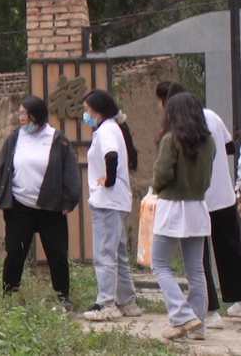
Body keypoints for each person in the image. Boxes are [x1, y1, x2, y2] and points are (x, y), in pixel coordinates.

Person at [157, 80, 241, 325]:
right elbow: (229, 146)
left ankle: (210, 310)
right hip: (223, 196)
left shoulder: (175, 129)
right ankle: (238, 301)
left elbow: (166, 168)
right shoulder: (212, 117)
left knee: (197, 258)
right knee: (231, 249)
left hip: (194, 200)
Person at [0, 96, 81, 312]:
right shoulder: (14, 139)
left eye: (23, 114)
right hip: (19, 205)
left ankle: (62, 297)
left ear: (36, 115)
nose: (20, 118)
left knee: (57, 254)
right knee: (15, 252)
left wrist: (69, 199)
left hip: (51, 207)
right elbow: (1, 168)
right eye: (19, 113)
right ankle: (9, 294)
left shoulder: (58, 140)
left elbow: (70, 172)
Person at [151, 92, 215, 340]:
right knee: (196, 270)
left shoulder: (171, 139)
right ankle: (198, 324)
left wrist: (155, 189)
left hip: (172, 206)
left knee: (160, 264)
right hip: (197, 207)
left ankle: (181, 315)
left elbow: (161, 173)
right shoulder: (208, 142)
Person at [81, 89, 143, 321]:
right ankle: (127, 302)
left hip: (107, 201)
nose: (85, 114)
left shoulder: (106, 129)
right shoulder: (113, 129)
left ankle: (106, 302)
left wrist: (108, 180)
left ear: (98, 111)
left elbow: (111, 156)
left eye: (87, 110)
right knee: (117, 253)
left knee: (104, 253)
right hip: (117, 201)